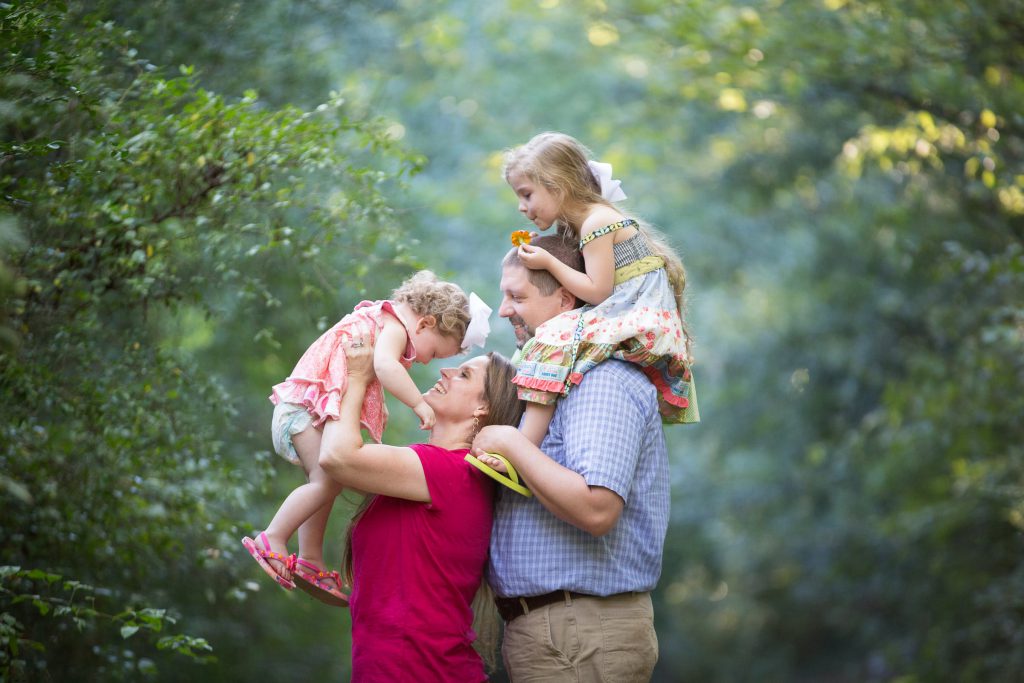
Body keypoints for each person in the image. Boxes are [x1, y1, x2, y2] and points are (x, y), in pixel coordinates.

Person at [470, 234, 671, 681]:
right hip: (560, 634)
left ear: (565, 297)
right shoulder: (552, 378)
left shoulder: (601, 381)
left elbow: (597, 509)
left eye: (516, 296)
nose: (504, 310)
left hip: (582, 634)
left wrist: (509, 442)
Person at [241, 270, 490, 605]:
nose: (422, 361)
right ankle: (272, 537)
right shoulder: (396, 328)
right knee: (326, 482)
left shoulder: (387, 317)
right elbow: (387, 367)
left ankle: (310, 559)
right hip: (304, 409)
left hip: (304, 409)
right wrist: (417, 403)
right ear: (425, 324)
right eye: (432, 355)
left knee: (327, 481)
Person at [319, 337, 525, 681]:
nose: (444, 371)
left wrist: (356, 378)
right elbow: (331, 464)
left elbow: (336, 457)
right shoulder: (429, 474)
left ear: (482, 408)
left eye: (462, 375)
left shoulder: (452, 471)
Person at [499, 131, 698, 447]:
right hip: (622, 311)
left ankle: (523, 447)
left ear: (557, 186)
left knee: (553, 339)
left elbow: (598, 291)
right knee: (537, 341)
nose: (522, 207)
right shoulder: (581, 224)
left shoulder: (596, 221)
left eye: (527, 194)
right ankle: (520, 427)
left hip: (637, 320)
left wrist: (550, 263)